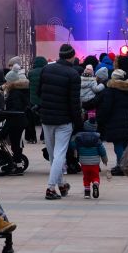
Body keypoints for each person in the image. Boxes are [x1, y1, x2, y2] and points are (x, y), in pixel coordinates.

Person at [38, 44, 83, 201]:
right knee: (59, 155)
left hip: (46, 118)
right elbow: (74, 103)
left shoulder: (46, 69)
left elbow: (38, 92)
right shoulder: (73, 74)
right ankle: (50, 188)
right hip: (64, 120)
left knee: (52, 154)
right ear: (71, 56)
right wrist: (79, 123)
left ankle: (62, 184)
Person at [98, 67, 128, 176]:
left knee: (118, 144)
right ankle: (122, 164)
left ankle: (121, 166)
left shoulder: (111, 90)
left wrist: (102, 118)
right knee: (124, 143)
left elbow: (107, 106)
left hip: (115, 120)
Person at [1, 66, 29, 168]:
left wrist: (6, 112)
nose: (6, 83)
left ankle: (18, 164)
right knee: (16, 143)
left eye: (7, 81)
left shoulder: (15, 94)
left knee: (15, 144)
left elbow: (15, 108)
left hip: (16, 121)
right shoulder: (17, 92)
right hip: (18, 120)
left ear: (12, 82)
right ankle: (17, 160)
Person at [72, 123, 108, 198]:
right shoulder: (97, 139)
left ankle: (87, 193)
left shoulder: (80, 138)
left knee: (86, 177)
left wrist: (73, 139)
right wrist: (104, 159)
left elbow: (73, 145)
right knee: (95, 176)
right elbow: (102, 150)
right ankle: (95, 184)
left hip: (84, 162)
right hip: (95, 163)